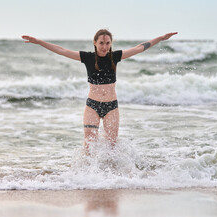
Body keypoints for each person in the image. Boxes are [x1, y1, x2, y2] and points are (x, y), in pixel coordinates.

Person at [22, 29, 177, 152]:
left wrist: (161, 38)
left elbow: (140, 48)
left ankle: (108, 179)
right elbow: (61, 50)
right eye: (101, 43)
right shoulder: (87, 58)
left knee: (112, 147)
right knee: (89, 145)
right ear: (95, 43)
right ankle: (87, 177)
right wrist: (39, 42)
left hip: (111, 107)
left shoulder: (115, 57)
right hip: (92, 106)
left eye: (108, 43)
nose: (105, 46)